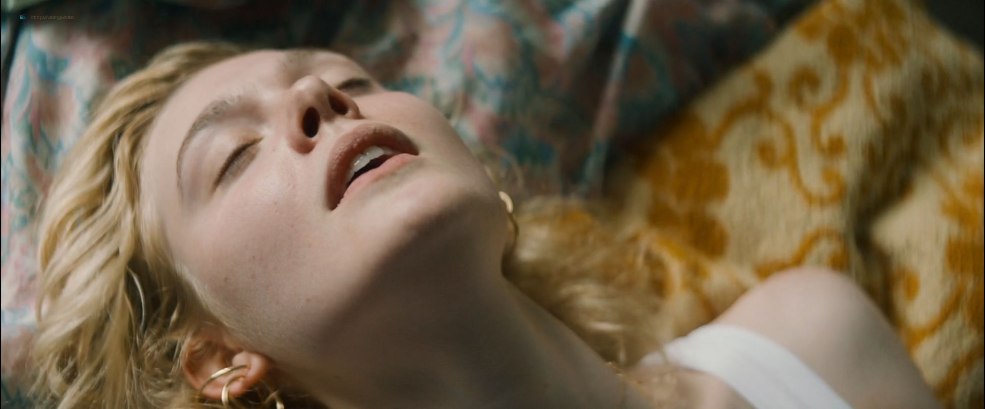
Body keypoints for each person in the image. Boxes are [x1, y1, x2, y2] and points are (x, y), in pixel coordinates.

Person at [31, 42, 941, 409]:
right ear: (218, 358)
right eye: (232, 155)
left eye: (351, 81)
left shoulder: (812, 341)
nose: (320, 98)